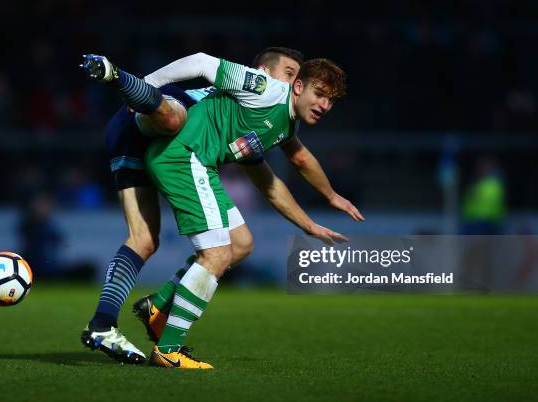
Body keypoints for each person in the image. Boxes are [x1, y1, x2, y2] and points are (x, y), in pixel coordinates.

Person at [82, 51, 363, 369]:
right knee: (173, 121)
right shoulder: (262, 88)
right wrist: (146, 83)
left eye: (331, 100)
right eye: (289, 73)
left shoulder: (275, 125)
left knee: (236, 243)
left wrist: (317, 214)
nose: (324, 105)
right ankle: (118, 76)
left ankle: (146, 310)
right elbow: (201, 62)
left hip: (190, 154)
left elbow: (285, 171)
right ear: (279, 78)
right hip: (169, 133)